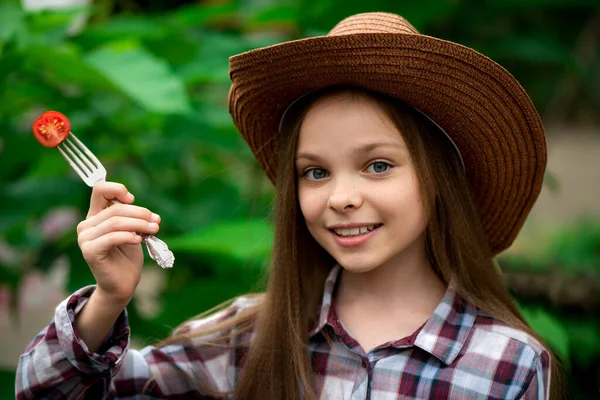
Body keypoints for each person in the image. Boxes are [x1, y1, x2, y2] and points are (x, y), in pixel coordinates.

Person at [16, 12, 564, 400]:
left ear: (439, 180)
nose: (341, 197)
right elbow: (46, 392)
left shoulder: (506, 363)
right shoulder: (246, 338)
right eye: (315, 171)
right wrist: (107, 301)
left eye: (378, 165)